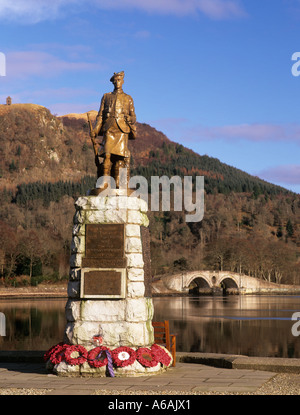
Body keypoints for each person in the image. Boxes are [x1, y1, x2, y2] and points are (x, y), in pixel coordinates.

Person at [90, 71, 136, 187]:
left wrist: (130, 119)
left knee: (120, 158)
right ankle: (104, 182)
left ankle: (118, 183)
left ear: (123, 82)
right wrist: (96, 130)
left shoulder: (128, 98)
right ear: (113, 82)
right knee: (107, 154)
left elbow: (133, 116)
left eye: (119, 80)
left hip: (122, 130)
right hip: (109, 128)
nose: (117, 82)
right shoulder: (106, 97)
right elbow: (100, 115)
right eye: (115, 81)